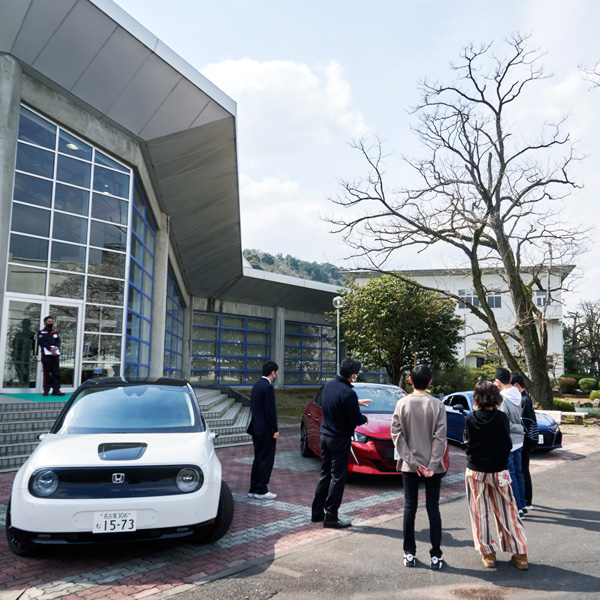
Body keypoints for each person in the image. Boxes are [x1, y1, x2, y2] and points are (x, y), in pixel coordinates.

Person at [465, 380, 528, 570]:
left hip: (476, 469)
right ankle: (520, 553)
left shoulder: (471, 418)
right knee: (508, 510)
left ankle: (488, 554)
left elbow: (468, 443)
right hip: (500, 470)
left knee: (480, 512)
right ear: (496, 397)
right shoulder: (501, 418)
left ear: (477, 398)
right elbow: (507, 444)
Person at [391, 364, 447, 570]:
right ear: (430, 382)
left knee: (409, 507)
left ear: (410, 381)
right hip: (433, 467)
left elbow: (397, 437)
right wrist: (431, 465)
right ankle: (436, 555)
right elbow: (440, 438)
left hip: (409, 466)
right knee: (433, 508)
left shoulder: (402, 404)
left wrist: (414, 464)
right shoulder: (437, 405)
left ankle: (409, 553)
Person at [311, 357, 371, 529]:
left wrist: (355, 403)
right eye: (357, 374)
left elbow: (334, 402)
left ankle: (317, 513)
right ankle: (331, 517)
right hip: (339, 440)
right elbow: (356, 419)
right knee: (338, 478)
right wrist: (364, 418)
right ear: (352, 375)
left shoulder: (330, 385)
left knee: (325, 474)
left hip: (325, 437)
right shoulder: (349, 393)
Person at [494, 367, 526, 516]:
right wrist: (520, 428)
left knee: (511, 473)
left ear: (498, 382)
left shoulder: (502, 398)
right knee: (518, 473)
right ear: (511, 380)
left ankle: (517, 506)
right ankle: (523, 505)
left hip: (509, 440)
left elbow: (503, 422)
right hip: (519, 440)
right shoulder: (517, 394)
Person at [248, 361, 279, 500]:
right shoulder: (268, 387)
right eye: (276, 372)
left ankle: (253, 488)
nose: (276, 375)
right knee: (266, 460)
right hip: (266, 430)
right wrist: (275, 429)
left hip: (256, 428)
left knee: (258, 459)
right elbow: (270, 411)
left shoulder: (256, 386)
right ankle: (262, 490)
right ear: (273, 372)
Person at [511, 372, 539, 510]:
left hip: (526, 440)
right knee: (523, 470)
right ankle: (527, 500)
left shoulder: (524, 400)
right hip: (527, 439)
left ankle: (527, 501)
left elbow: (524, 424)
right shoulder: (525, 398)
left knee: (523, 471)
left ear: (516, 385)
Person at [38, 316, 65, 397]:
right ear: (45, 322)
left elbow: (58, 341)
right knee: (47, 373)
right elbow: (42, 342)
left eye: (52, 322)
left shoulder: (55, 332)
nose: (51, 323)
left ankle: (56, 390)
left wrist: (55, 348)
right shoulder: (41, 332)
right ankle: (46, 390)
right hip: (46, 355)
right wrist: (50, 349)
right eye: (49, 322)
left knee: (56, 373)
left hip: (55, 355)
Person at [12, 318, 35, 386]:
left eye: (25, 324)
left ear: (29, 325)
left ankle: (25, 383)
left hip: (26, 356)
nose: (24, 325)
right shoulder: (18, 334)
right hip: (17, 355)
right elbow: (13, 345)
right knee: (19, 371)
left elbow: (33, 346)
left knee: (25, 371)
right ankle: (21, 383)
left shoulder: (32, 334)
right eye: (23, 324)